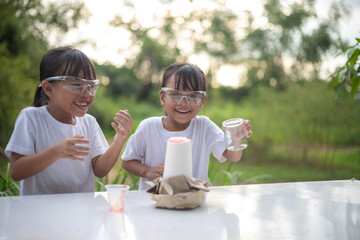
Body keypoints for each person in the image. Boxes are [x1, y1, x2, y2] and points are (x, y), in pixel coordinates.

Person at [5, 46, 132, 195]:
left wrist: (119, 140)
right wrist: (57, 151)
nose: (86, 93)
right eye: (76, 85)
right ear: (48, 89)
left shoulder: (89, 122)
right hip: (39, 214)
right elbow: (16, 171)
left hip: (81, 213)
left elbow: (100, 170)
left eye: (91, 86)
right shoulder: (31, 118)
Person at [121, 62, 252, 190]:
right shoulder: (148, 128)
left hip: (193, 205)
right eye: (175, 95)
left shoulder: (204, 126)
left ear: (202, 101)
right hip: (154, 204)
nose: (184, 102)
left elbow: (233, 157)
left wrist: (235, 138)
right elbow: (127, 162)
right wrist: (147, 171)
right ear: (162, 97)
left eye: (193, 96)